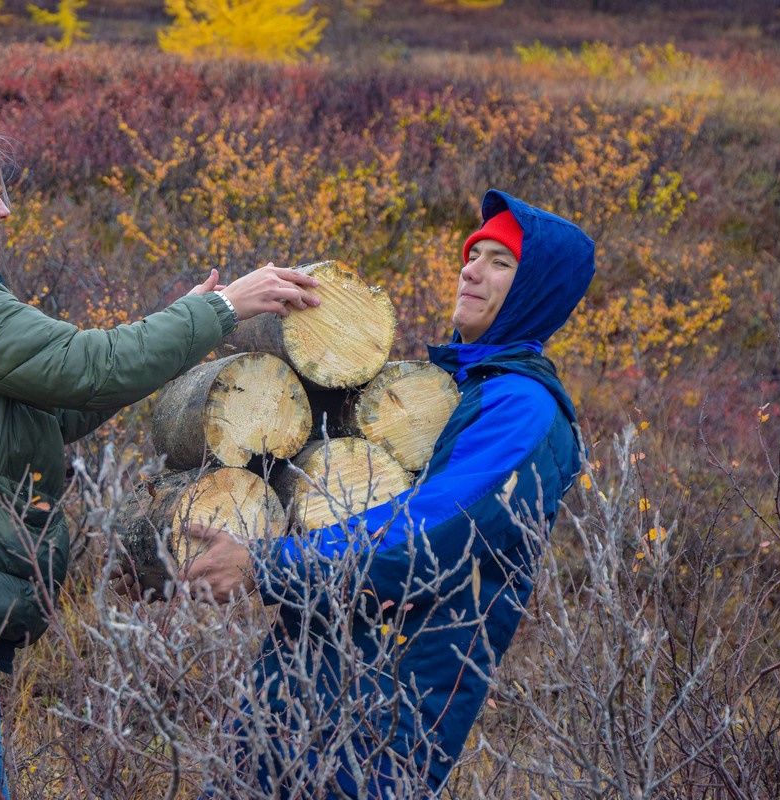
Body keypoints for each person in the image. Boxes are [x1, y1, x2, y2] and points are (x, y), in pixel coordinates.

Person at [0, 116, 320, 800]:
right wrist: (222, 309)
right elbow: (85, 366)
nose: (6, 209)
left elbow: (61, 404)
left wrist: (182, 334)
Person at [185, 189, 596, 797]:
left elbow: (428, 536)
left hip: (383, 715)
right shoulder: (449, 392)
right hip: (316, 686)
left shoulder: (522, 410)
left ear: (538, 289)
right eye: (472, 253)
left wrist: (267, 565)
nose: (471, 269)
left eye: (499, 262)